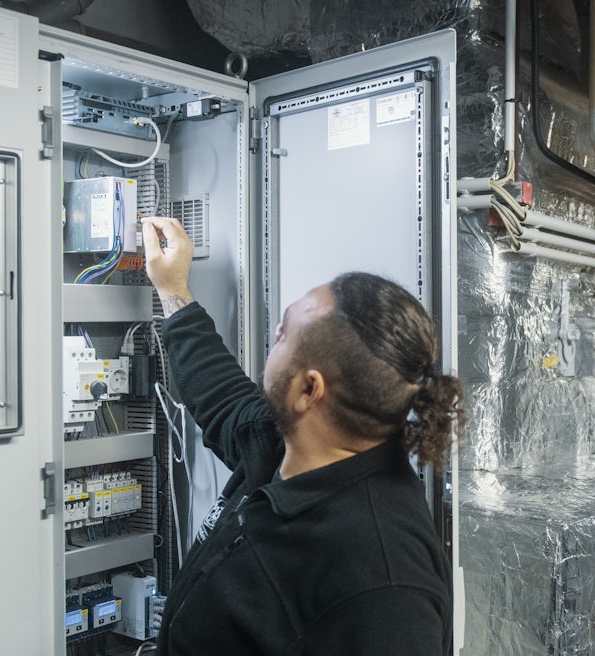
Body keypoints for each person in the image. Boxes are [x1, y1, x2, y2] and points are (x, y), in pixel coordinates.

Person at [141, 216, 465, 655]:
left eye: (285, 332)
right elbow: (222, 396)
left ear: (310, 389)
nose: (275, 333)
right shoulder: (291, 447)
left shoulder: (384, 585)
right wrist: (173, 290)